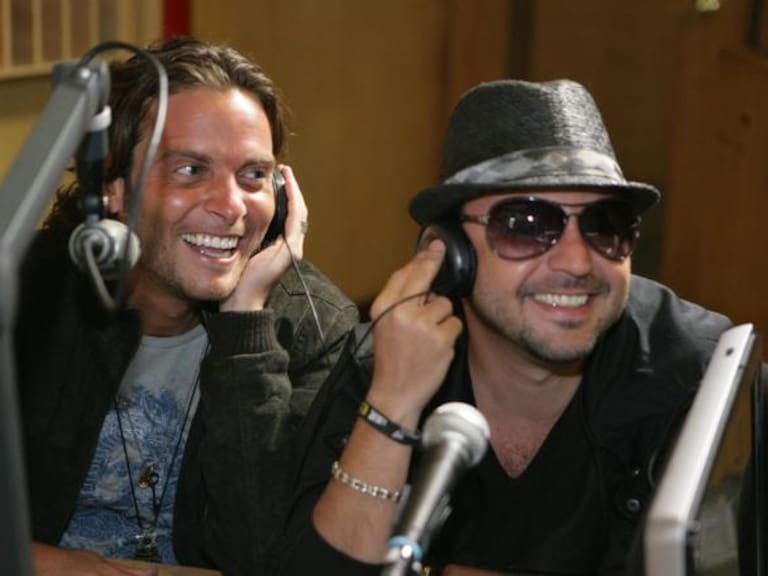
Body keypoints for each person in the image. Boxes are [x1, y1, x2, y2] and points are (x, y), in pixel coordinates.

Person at [277, 79, 733, 575]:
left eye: (606, 224)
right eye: (526, 225)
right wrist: (392, 405)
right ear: (449, 251)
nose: (578, 261)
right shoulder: (384, 360)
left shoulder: (701, 373)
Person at [14, 37, 358, 576]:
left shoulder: (317, 325)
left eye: (253, 175)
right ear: (112, 188)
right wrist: (52, 564)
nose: (230, 207)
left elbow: (267, 558)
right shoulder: (25, 294)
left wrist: (245, 325)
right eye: (191, 170)